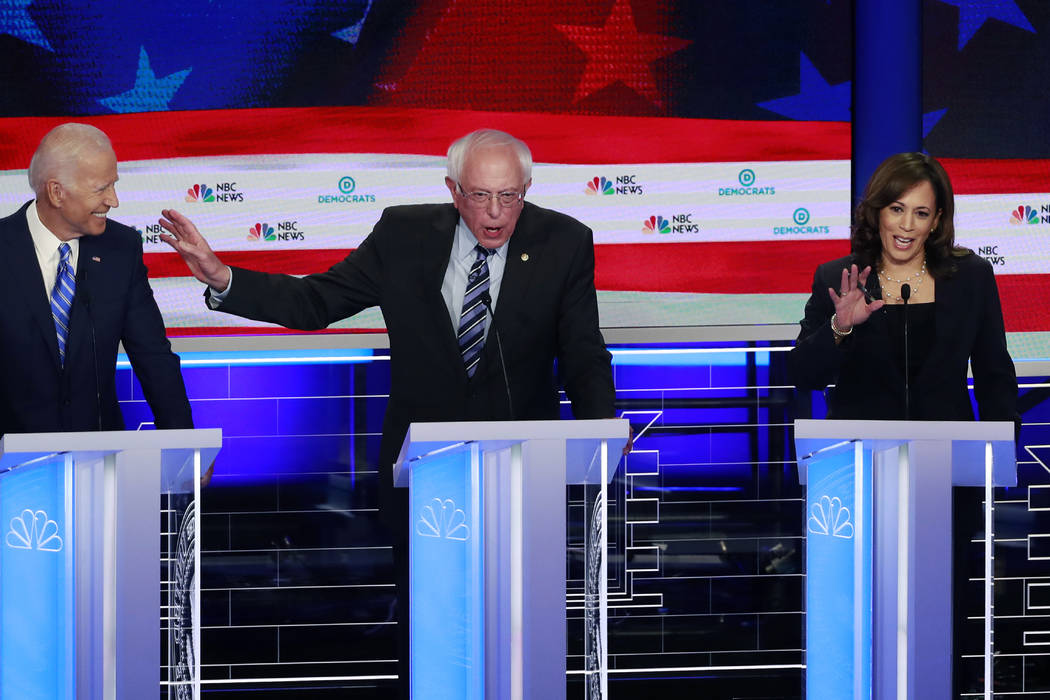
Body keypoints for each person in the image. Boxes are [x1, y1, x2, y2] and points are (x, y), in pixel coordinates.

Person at [158, 128, 618, 696]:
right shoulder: (403, 235)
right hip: (423, 474)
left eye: (509, 196)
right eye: (479, 196)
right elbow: (317, 301)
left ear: (527, 188)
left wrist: (601, 442)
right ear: (453, 189)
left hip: (524, 474)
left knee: (520, 625)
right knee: (431, 627)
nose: (495, 213)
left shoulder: (564, 241)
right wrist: (225, 278)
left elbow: (583, 355)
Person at [789, 151, 1018, 696]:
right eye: (897, 209)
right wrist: (841, 328)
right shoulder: (841, 278)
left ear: (938, 220)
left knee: (944, 602)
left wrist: (1000, 451)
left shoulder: (971, 278)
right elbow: (804, 372)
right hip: (856, 478)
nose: (906, 226)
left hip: (947, 473)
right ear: (877, 212)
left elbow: (993, 371)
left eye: (921, 213)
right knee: (861, 605)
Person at [0, 123, 193, 435]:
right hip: (11, 466)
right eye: (101, 189)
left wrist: (182, 436)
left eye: (113, 185)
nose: (113, 201)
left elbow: (153, 354)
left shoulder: (121, 249)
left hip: (99, 458)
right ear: (56, 192)